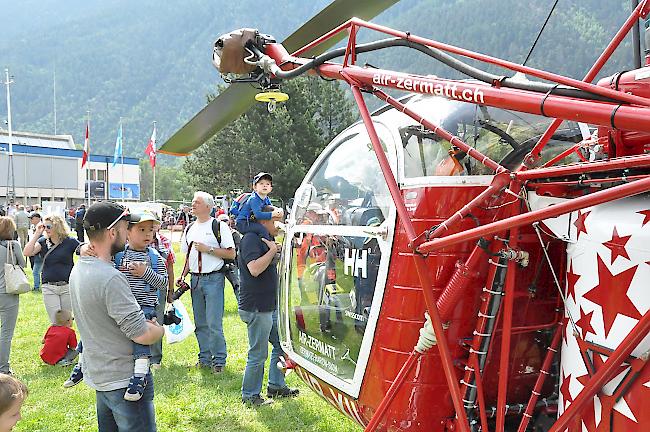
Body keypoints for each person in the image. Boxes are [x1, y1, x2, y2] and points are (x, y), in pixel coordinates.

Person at [69, 201, 163, 431]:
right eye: (125, 227)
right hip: (123, 378)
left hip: (101, 377)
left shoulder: (80, 268)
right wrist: (159, 329)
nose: (127, 232)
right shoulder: (111, 278)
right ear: (113, 233)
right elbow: (141, 334)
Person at [238, 205, 298, 405]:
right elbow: (254, 269)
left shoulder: (265, 237)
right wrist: (272, 251)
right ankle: (250, 395)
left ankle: (276, 385)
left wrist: (277, 251)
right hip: (256, 306)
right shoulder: (250, 239)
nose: (279, 225)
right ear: (263, 220)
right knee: (258, 353)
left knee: (282, 344)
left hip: (267, 305)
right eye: (275, 220)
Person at [177, 191, 235, 373]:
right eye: (193, 202)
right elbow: (188, 256)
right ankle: (204, 359)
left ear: (208, 207)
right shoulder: (189, 228)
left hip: (214, 278)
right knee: (200, 323)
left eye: (197, 203)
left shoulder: (219, 226)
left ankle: (219, 361)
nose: (193, 205)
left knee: (213, 323)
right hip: (195, 279)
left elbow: (231, 253)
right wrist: (183, 275)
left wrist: (208, 249)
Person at [23, 214, 80, 325]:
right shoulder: (43, 241)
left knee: (67, 322)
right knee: (56, 322)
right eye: (44, 226)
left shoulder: (69, 241)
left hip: (67, 286)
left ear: (57, 226)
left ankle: (69, 342)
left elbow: (82, 249)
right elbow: (27, 252)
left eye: (49, 227)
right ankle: (57, 342)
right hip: (49, 287)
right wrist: (37, 234)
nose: (46, 229)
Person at [0, 218, 25, 376]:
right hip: (8, 292)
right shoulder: (13, 245)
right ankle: (3, 368)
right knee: (6, 333)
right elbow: (22, 264)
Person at [150, 219, 175, 369]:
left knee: (157, 322)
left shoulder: (164, 241)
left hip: (159, 288)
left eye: (152, 224)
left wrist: (170, 290)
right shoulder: (133, 240)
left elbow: (170, 267)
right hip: (139, 288)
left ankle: (155, 359)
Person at [235, 172, 283, 237]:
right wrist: (273, 214)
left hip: (252, 222)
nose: (265, 185)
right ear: (255, 187)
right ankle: (267, 244)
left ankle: (271, 242)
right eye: (261, 183)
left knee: (267, 228)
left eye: (268, 184)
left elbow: (270, 208)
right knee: (262, 229)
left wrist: (278, 210)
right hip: (243, 223)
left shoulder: (266, 198)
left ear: (271, 188)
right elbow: (258, 215)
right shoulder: (254, 199)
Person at [217, 214, 240, 298]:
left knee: (237, 286)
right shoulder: (216, 235)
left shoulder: (234, 234)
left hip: (232, 265)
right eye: (221, 221)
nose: (223, 223)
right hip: (218, 265)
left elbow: (237, 250)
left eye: (225, 221)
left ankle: (241, 306)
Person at [28, 213, 44, 291]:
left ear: (38, 218)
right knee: (36, 270)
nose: (31, 220)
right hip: (35, 251)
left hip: (39, 252)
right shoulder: (34, 227)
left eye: (32, 218)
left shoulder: (41, 227)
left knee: (36, 271)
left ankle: (37, 287)